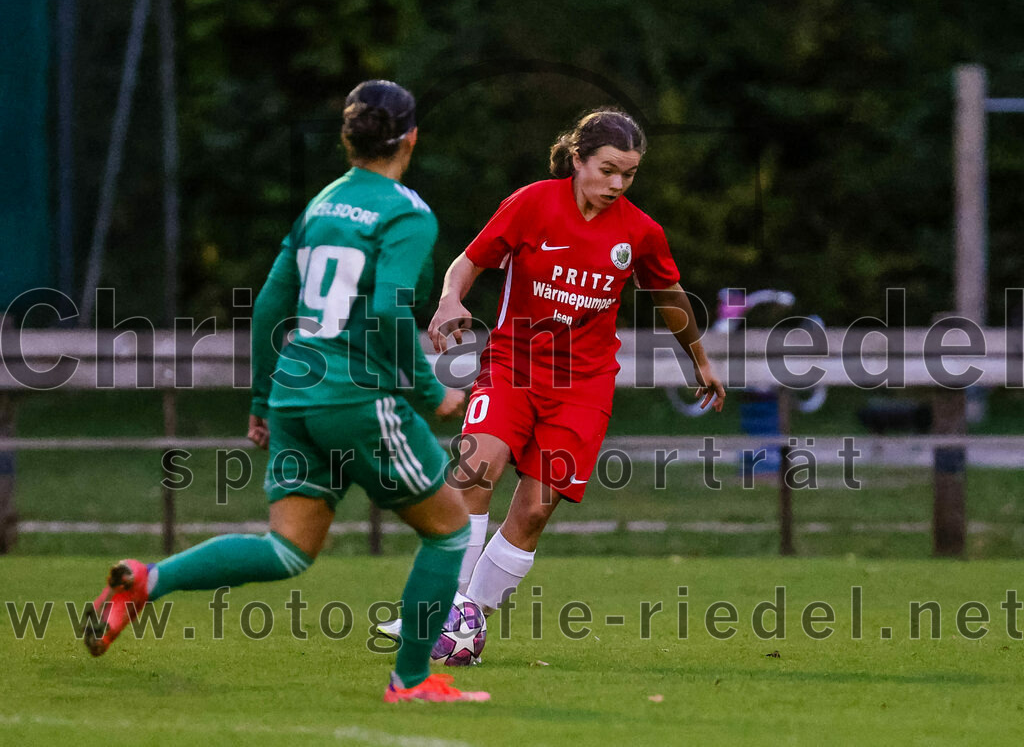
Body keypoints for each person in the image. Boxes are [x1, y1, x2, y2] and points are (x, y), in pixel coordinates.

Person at [84, 80, 489, 704]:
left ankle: (146, 581)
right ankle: (410, 681)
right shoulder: (406, 212)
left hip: (296, 395)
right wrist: (427, 389)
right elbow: (388, 309)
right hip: (357, 396)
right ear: (411, 138)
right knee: (450, 531)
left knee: (289, 548)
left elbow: (272, 304)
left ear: (348, 138)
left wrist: (261, 400)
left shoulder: (322, 205)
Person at [377, 107, 726, 647]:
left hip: (583, 387)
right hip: (512, 367)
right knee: (473, 473)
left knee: (536, 509)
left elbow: (669, 295)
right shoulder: (532, 203)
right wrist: (449, 301)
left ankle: (466, 620)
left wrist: (699, 359)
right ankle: (437, 611)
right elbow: (469, 262)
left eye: (629, 174)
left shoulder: (640, 232)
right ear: (578, 159)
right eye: (607, 170)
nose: (617, 184)